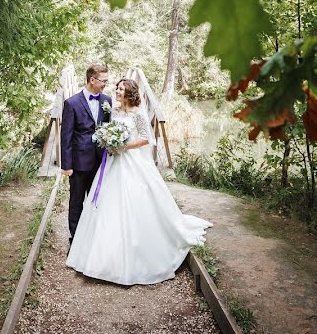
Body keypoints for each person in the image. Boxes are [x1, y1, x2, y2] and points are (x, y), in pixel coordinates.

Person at [66, 78, 211, 285]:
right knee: (106, 205)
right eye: (116, 87)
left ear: (129, 92)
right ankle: (101, 255)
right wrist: (109, 141)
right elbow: (104, 130)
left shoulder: (138, 113)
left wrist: (124, 146)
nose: (116, 90)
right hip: (112, 163)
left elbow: (147, 138)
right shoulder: (113, 111)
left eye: (121, 88)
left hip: (130, 160)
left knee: (134, 201)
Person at [59, 64, 113, 245]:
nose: (106, 84)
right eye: (104, 81)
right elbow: (65, 137)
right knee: (76, 201)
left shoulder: (107, 101)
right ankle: (75, 240)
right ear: (92, 79)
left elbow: (108, 129)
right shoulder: (71, 103)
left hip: (100, 162)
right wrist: (66, 166)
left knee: (97, 200)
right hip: (79, 163)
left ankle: (94, 239)